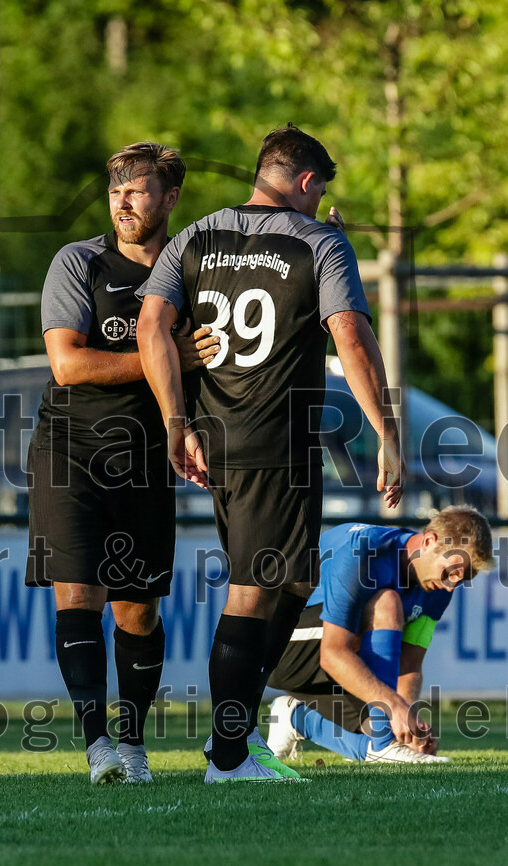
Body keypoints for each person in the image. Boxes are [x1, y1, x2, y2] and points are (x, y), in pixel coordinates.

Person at [137, 124, 404, 782]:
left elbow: (151, 326)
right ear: (308, 183)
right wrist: (387, 432)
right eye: (320, 194)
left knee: (291, 578)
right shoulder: (319, 242)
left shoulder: (195, 235)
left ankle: (237, 731)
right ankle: (228, 753)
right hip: (276, 441)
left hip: (219, 435)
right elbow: (351, 337)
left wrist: (177, 419)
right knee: (254, 592)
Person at [25, 143, 212, 784]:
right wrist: (169, 357)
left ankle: (132, 744)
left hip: (144, 457)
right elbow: (68, 366)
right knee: (78, 593)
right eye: (116, 192)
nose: (124, 202)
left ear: (170, 198)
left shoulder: (193, 273)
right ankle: (97, 744)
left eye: (137, 190)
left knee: (137, 609)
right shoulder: (79, 262)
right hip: (68, 453)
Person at [265, 506, 493, 764]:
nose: (452, 584)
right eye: (452, 570)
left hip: (332, 654)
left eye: (465, 577)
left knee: (373, 735)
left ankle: (295, 718)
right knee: (387, 601)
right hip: (275, 649)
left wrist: (408, 729)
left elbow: (409, 663)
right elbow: (333, 653)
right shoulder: (365, 553)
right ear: (429, 541)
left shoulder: (441, 587)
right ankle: (385, 743)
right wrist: (394, 707)